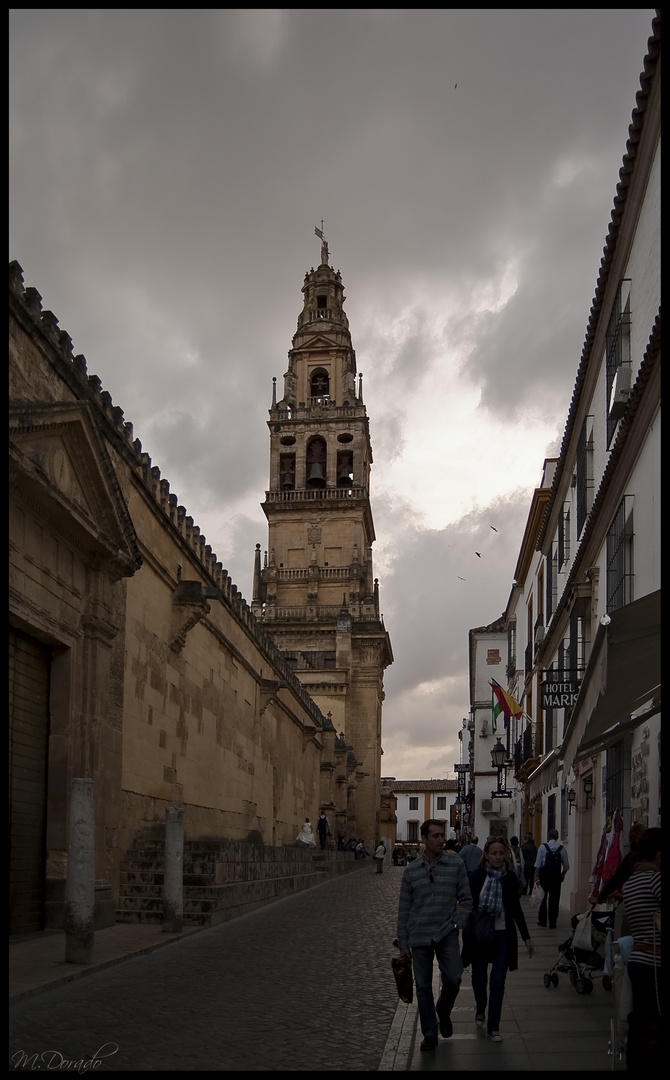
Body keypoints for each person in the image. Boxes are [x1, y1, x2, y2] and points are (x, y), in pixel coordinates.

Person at [396, 819, 472, 1052]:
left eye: (442, 835)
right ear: (424, 839)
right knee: (423, 987)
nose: (441, 840)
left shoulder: (456, 864)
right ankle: (430, 1032)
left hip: (447, 932)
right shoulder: (411, 870)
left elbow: (467, 900)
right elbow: (404, 908)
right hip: (419, 936)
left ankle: (444, 1010)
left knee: (454, 978)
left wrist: (457, 923)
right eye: (436, 836)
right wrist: (403, 942)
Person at [462, 837, 534, 1042]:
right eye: (493, 853)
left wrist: (526, 937)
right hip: (479, 936)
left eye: (501, 853)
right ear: (486, 855)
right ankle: (480, 1007)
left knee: (498, 980)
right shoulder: (476, 877)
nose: (497, 856)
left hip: (503, 934)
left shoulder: (510, 879)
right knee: (478, 979)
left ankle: (493, 1026)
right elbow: (468, 905)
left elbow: (516, 909)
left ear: (505, 855)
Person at [621, 827, 661, 1069]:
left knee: (640, 1021)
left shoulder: (632, 881)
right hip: (654, 961)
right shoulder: (655, 880)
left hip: (637, 959)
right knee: (654, 1023)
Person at [533, 829, 569, 928]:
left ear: (549, 836)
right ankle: (553, 922)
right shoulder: (562, 849)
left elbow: (538, 864)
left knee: (542, 898)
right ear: (557, 837)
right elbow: (566, 866)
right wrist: (562, 875)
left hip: (544, 875)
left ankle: (542, 920)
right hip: (556, 877)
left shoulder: (542, 847)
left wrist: (536, 877)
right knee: (554, 899)